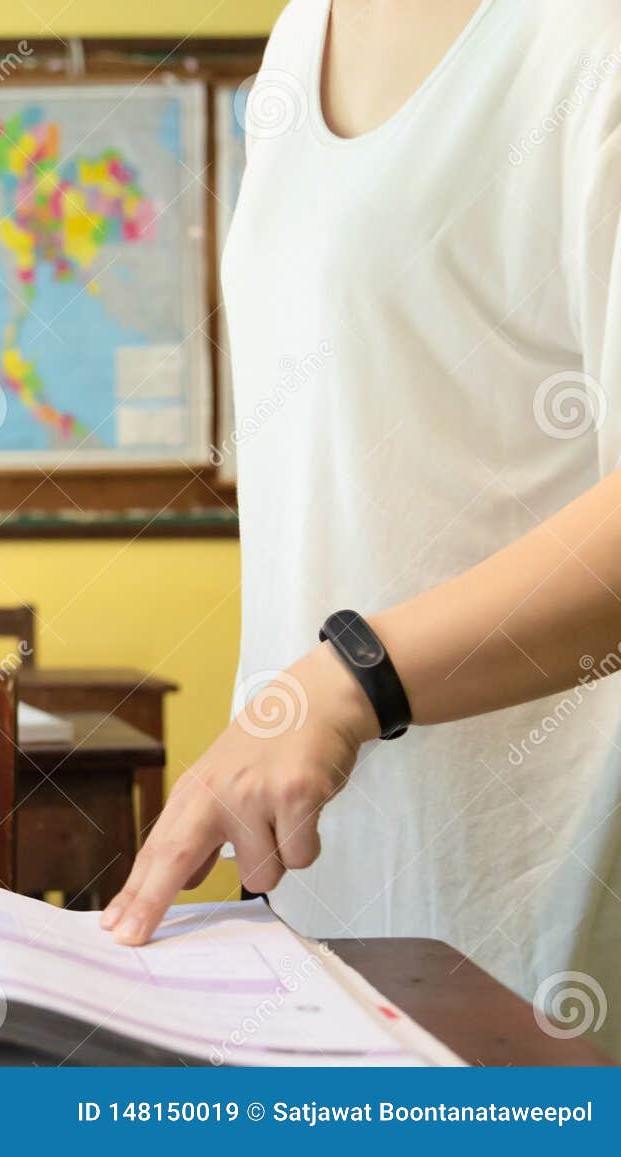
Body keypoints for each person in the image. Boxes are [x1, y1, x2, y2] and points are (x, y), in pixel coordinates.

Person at [103, 0, 621, 1056]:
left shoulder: (586, 36)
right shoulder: (302, 34)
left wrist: (351, 681)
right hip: (341, 911)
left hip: (544, 926)